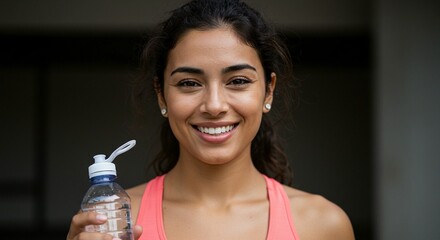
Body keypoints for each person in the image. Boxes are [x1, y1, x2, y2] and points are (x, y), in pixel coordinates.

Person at [67, 0, 355, 239]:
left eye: (238, 80)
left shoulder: (322, 225)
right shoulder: (114, 223)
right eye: (190, 83)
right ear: (161, 95)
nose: (214, 106)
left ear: (268, 91)